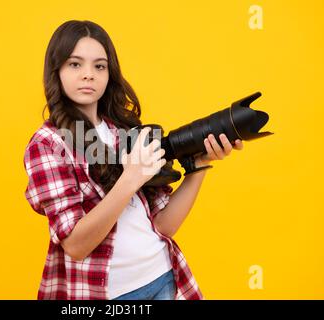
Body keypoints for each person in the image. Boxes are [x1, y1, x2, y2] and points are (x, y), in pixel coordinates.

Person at [23, 20, 244, 300]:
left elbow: (163, 225)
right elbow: (76, 245)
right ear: (56, 71)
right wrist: (130, 179)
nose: (88, 75)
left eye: (99, 66)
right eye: (75, 64)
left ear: (109, 73)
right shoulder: (48, 144)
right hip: (108, 295)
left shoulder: (123, 130)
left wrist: (197, 166)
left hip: (164, 276)